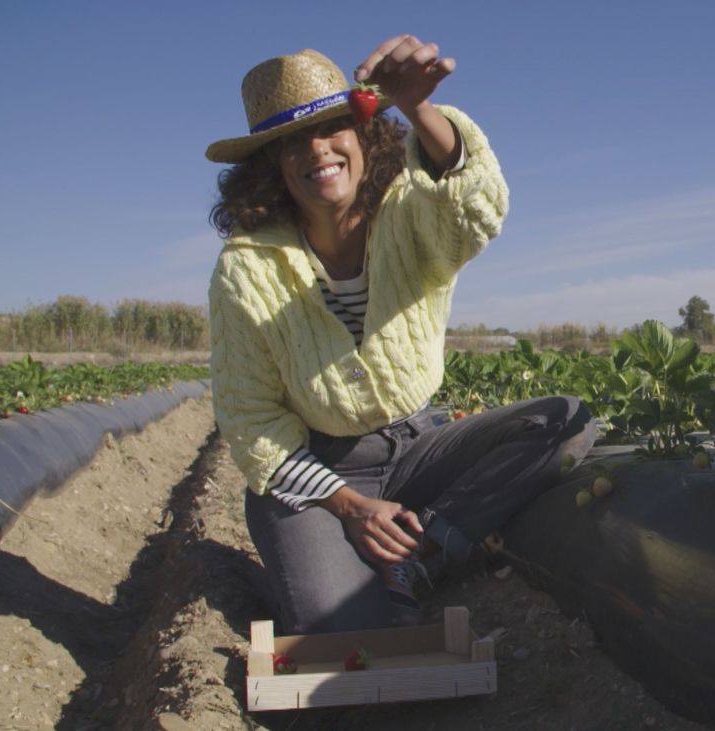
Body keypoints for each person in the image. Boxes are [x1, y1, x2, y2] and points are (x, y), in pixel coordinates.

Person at [205, 36, 595, 634]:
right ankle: (326, 564)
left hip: (419, 452)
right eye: (292, 142)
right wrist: (350, 506)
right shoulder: (247, 267)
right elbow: (251, 419)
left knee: (564, 421)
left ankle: (421, 555)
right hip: (320, 473)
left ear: (362, 135)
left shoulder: (408, 213)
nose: (318, 149)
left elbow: (477, 208)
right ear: (273, 166)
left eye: (333, 126)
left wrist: (418, 108)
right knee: (345, 630)